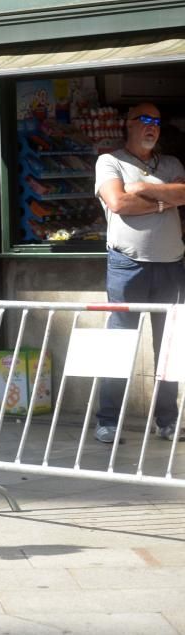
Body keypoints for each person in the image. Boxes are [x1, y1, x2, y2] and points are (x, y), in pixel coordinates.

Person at [95, 102, 185, 443]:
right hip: (127, 265)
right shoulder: (110, 161)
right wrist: (167, 198)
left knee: (170, 347)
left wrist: (143, 190)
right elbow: (118, 204)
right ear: (127, 125)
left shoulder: (173, 163)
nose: (152, 126)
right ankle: (107, 421)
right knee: (120, 343)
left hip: (171, 265)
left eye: (157, 122)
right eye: (144, 120)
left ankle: (167, 420)